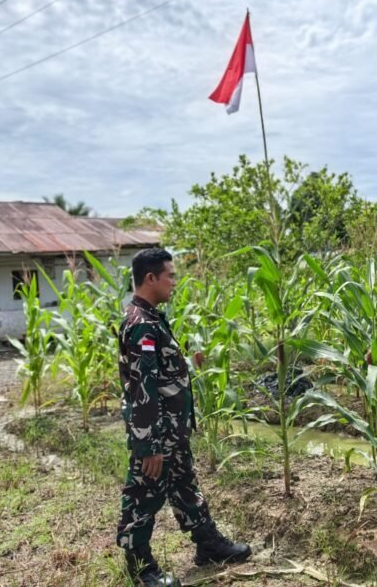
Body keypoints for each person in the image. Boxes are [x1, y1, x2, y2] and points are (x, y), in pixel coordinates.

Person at [116, 248, 251, 587]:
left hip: (170, 434)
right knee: (143, 495)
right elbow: (143, 390)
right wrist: (150, 447)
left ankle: (208, 544)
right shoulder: (141, 326)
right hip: (157, 436)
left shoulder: (151, 319)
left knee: (185, 485)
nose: (174, 282)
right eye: (170, 276)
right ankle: (140, 567)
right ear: (151, 279)